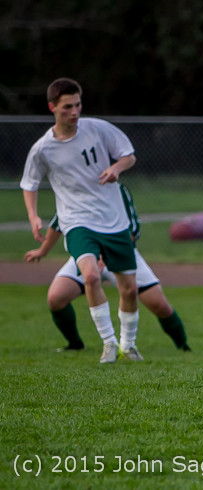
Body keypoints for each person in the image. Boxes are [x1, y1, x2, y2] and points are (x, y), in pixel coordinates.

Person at [20, 77, 141, 364]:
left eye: (77, 105)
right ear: (52, 107)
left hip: (112, 219)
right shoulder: (42, 149)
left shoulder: (97, 129)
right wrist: (33, 216)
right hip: (76, 221)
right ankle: (109, 343)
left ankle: (129, 344)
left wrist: (116, 168)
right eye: (66, 107)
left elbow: (129, 156)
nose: (74, 112)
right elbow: (29, 184)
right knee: (90, 275)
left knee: (130, 289)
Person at [24, 184, 191, 352]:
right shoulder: (76, 190)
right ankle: (75, 345)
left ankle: (183, 346)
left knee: (158, 304)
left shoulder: (118, 190)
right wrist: (43, 250)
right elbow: (59, 222)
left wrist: (106, 255)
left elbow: (133, 229)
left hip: (121, 253)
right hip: (88, 255)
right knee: (56, 297)